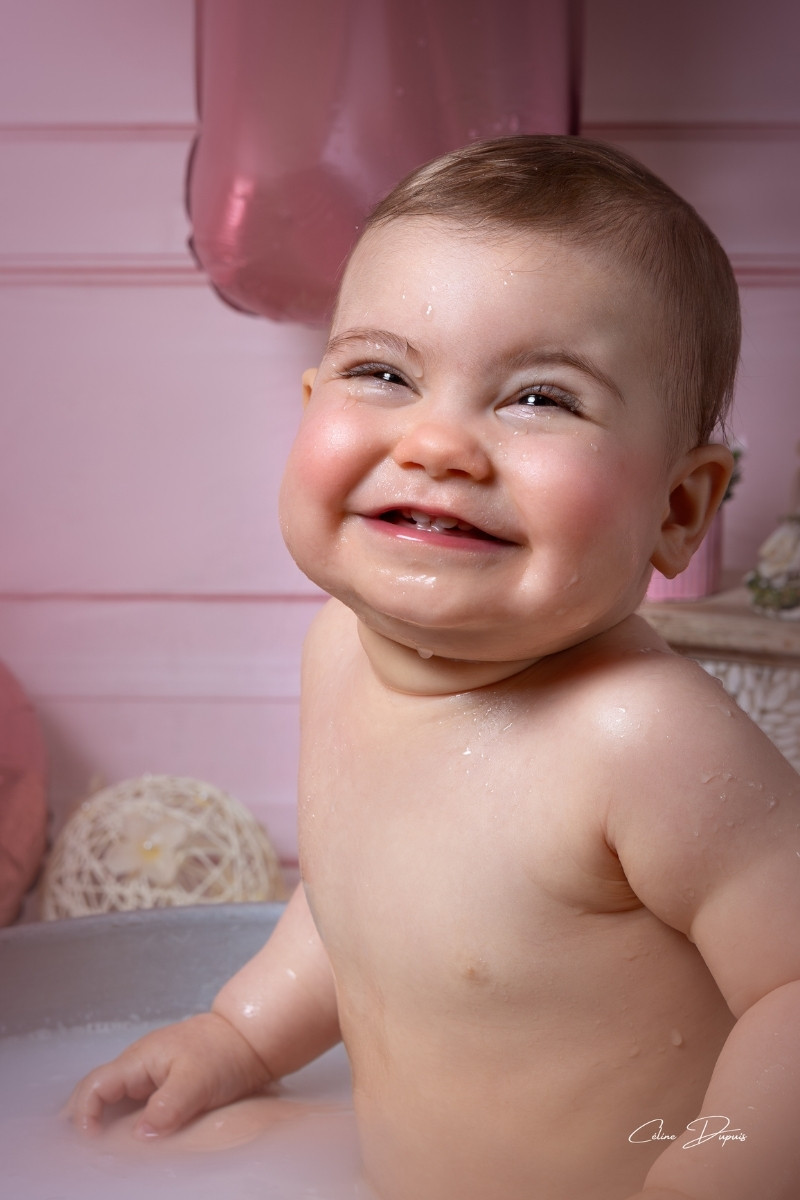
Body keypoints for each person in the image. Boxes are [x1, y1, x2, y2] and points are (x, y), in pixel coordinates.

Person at [68, 136, 800, 1200]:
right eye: (383, 374)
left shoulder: (641, 741)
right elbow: (355, 903)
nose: (437, 443)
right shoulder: (338, 653)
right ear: (309, 399)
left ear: (678, 508)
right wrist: (239, 1034)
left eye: (540, 398)